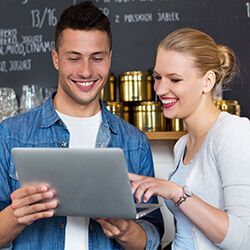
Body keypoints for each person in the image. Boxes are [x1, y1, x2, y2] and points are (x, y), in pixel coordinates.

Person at [0, 2, 164, 249]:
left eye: (97, 58)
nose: (86, 71)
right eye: (74, 58)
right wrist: (16, 215)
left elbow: (152, 238)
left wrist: (126, 230)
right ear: (56, 59)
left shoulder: (134, 142)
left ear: (109, 58)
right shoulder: (10, 134)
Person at [129, 27, 250, 250]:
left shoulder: (232, 133)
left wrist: (177, 193)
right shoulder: (182, 145)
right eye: (157, 77)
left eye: (174, 80)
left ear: (208, 81)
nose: (160, 89)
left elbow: (244, 240)